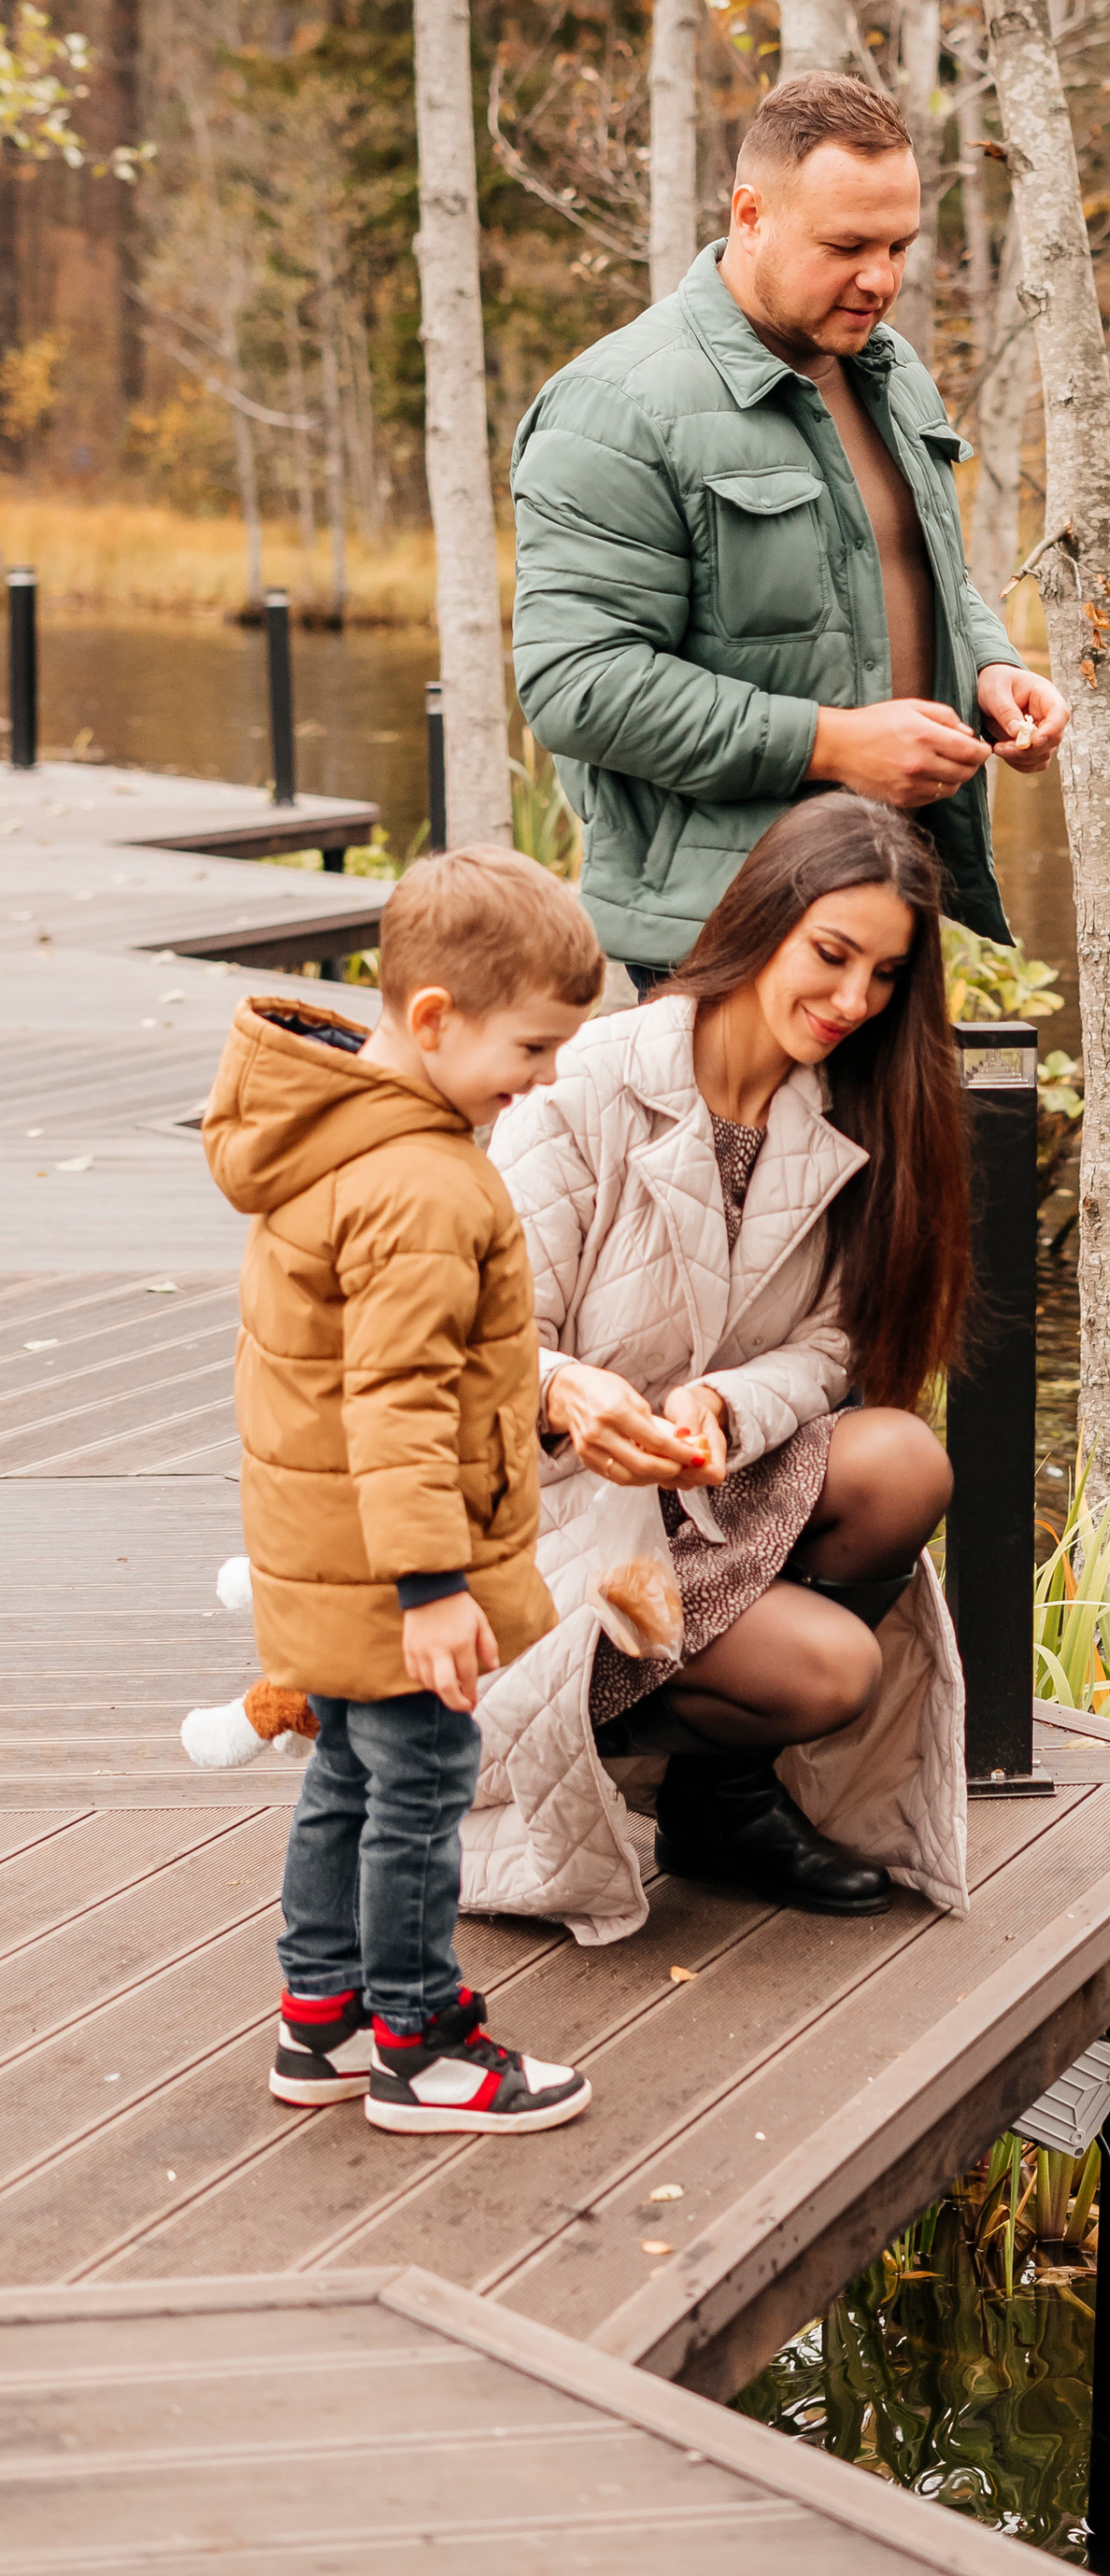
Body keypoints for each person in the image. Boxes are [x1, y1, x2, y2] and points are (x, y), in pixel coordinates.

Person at [467, 795, 972, 1934]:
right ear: (764, 921)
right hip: (557, 1513)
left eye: (885, 975)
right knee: (832, 1672)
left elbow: (837, 1342)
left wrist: (724, 1407)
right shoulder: (590, 1078)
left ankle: (717, 1802)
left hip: (701, 1489)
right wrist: (563, 1390)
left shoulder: (859, 1105)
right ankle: (594, 1738)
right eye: (832, 956)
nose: (854, 1002)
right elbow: (471, 1330)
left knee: (902, 1460)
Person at [199, 846, 607, 2134]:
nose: (543, 1081)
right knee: (421, 1790)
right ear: (434, 1019)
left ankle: (318, 2019)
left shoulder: (334, 1133)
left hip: (325, 1546)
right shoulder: (422, 1183)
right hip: (393, 1570)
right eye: (530, 1051)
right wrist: (433, 1588)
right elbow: (397, 1404)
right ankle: (420, 2044)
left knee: (347, 1783)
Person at [509, 68, 1071, 990]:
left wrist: (992, 671)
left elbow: (914, 571)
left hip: (890, 912)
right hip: (726, 939)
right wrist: (835, 742)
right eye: (846, 245)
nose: (879, 279)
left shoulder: (890, 375)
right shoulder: (616, 407)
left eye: (898, 246)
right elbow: (578, 686)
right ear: (750, 214)